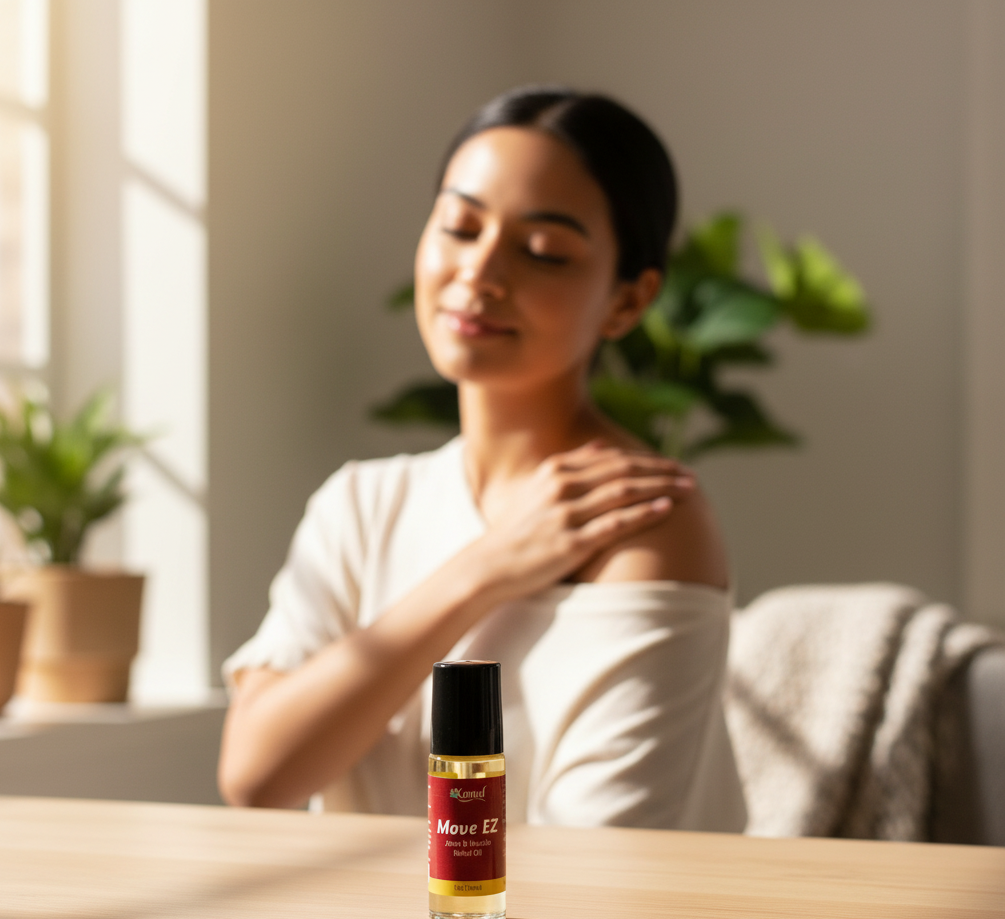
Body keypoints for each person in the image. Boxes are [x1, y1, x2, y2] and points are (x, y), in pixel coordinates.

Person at [218, 86, 747, 832]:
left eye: (544, 252)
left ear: (628, 301)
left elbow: (601, 859)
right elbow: (255, 774)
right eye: (460, 227)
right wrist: (484, 570)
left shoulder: (643, 521)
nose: (479, 272)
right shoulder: (363, 505)